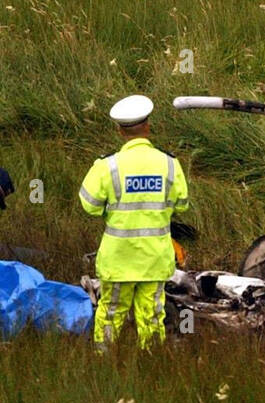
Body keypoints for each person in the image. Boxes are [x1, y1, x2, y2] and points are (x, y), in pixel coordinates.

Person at [79, 95, 189, 349]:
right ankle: (151, 362)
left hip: (119, 259)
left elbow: (89, 205)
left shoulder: (108, 166)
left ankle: (103, 361)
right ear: (148, 127)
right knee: (152, 315)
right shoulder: (170, 164)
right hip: (154, 258)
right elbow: (181, 204)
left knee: (111, 313)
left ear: (119, 130)